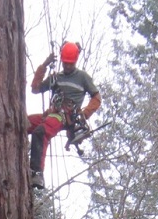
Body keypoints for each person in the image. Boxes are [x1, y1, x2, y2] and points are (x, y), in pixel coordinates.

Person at [27, 40, 102, 189]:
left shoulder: (82, 77)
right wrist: (44, 66)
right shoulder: (57, 77)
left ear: (75, 62)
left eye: (70, 64)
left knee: (41, 132)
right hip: (51, 114)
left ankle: (37, 173)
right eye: (65, 63)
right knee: (22, 123)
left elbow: (97, 98)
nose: (67, 66)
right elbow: (35, 88)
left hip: (63, 116)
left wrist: (84, 114)